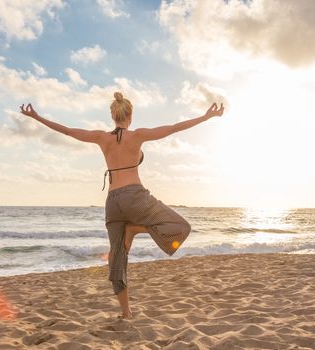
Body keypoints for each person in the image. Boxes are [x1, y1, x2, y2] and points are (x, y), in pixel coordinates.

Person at [20, 92, 224, 319]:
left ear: (112, 115)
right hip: (135, 197)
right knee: (180, 226)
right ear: (130, 115)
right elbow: (174, 128)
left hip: (112, 202)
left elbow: (68, 131)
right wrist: (206, 118)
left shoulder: (101, 138)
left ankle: (126, 312)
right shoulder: (138, 136)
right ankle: (135, 229)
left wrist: (36, 117)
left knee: (116, 259)